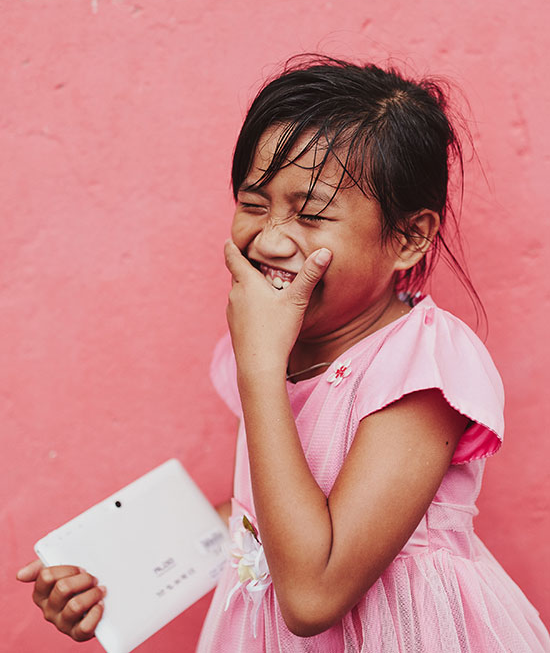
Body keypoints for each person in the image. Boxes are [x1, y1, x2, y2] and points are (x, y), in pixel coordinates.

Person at [17, 57, 550, 652]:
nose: (269, 239)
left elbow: (312, 593)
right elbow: (262, 522)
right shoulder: (276, 350)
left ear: (409, 237)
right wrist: (116, 581)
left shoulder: (423, 367)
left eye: (313, 213)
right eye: (253, 202)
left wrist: (261, 371)